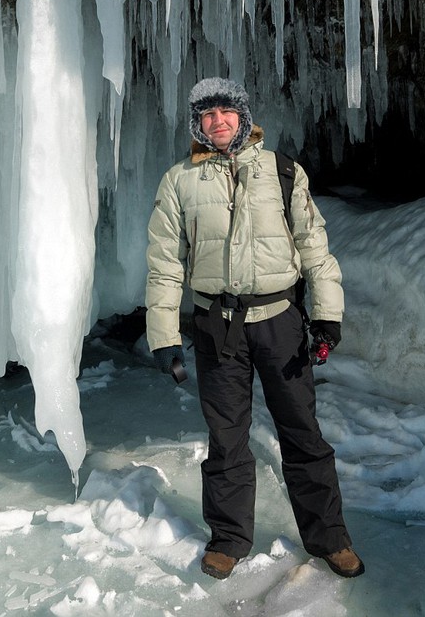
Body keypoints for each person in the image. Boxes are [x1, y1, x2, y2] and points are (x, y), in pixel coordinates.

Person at [145, 77, 364, 581]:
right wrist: (163, 335)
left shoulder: (283, 171)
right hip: (216, 326)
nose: (217, 121)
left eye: (226, 111)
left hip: (279, 321)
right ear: (196, 124)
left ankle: (330, 538)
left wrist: (327, 313)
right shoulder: (179, 180)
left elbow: (314, 246)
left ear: (242, 116)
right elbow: (163, 264)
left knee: (303, 433)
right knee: (227, 439)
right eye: (207, 114)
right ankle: (228, 540)